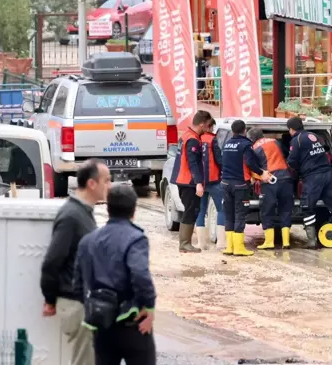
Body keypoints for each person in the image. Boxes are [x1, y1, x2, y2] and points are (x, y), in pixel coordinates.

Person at [74, 185, 156, 365]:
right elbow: (140, 275)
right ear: (134, 210)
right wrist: (149, 307)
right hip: (133, 322)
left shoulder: (88, 241)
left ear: (108, 208)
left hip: (101, 324)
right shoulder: (135, 238)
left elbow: (78, 285)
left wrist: (93, 308)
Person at [40, 159, 111, 365]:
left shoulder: (83, 213)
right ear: (92, 184)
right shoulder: (72, 216)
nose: (110, 185)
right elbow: (52, 261)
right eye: (106, 181)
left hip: (83, 302)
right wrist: (50, 299)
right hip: (75, 304)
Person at [286, 117, 332, 249]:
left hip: (313, 178)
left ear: (291, 129)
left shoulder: (297, 140)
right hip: (328, 174)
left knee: (307, 207)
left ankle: (312, 242)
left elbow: (292, 161)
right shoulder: (314, 135)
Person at [220, 120, 272, 256]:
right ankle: (239, 248)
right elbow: (250, 162)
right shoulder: (245, 145)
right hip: (240, 184)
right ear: (244, 131)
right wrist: (261, 173)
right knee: (240, 215)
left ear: (232, 131)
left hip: (225, 183)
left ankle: (230, 247)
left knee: (229, 215)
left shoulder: (227, 144)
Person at [171, 110, 213, 253]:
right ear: (201, 124)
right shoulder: (193, 140)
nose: (208, 129)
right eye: (207, 126)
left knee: (191, 210)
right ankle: (184, 244)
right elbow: (193, 163)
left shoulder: (186, 135)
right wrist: (198, 183)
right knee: (192, 210)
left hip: (181, 179)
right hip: (188, 181)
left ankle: (185, 243)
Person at [248, 127, 294, 250]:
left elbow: (253, 167)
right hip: (286, 178)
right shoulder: (275, 141)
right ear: (261, 134)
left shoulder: (254, 148)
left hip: (270, 181)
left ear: (251, 139)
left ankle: (269, 242)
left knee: (267, 210)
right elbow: (288, 155)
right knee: (285, 209)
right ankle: (286, 242)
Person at [196, 118, 226, 249]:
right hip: (214, 181)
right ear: (209, 126)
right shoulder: (212, 140)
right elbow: (219, 160)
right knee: (221, 209)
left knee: (201, 211)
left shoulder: (195, 139)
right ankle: (221, 243)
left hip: (199, 182)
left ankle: (201, 243)